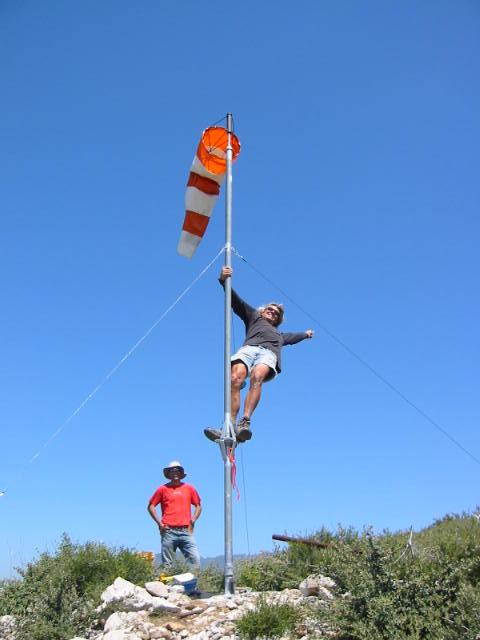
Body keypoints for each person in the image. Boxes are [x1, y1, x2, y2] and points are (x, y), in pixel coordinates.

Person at [204, 266, 314, 443]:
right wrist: (224, 281)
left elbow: (294, 337)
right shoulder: (254, 317)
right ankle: (230, 424)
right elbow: (237, 303)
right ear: (263, 311)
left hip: (268, 355)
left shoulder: (279, 336)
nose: (272, 312)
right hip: (248, 349)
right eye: (270, 309)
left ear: (278, 320)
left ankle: (245, 422)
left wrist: (306, 334)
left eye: (276, 313)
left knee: (257, 375)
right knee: (235, 379)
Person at [147, 460, 202, 570]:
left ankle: (193, 584)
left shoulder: (189, 488)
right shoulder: (163, 489)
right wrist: (159, 523)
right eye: (172, 470)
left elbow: (198, 506)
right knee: (167, 564)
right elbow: (151, 506)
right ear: (169, 474)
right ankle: (166, 586)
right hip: (168, 531)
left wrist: (193, 520)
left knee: (194, 559)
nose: (175, 472)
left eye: (178, 470)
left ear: (181, 473)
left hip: (185, 530)